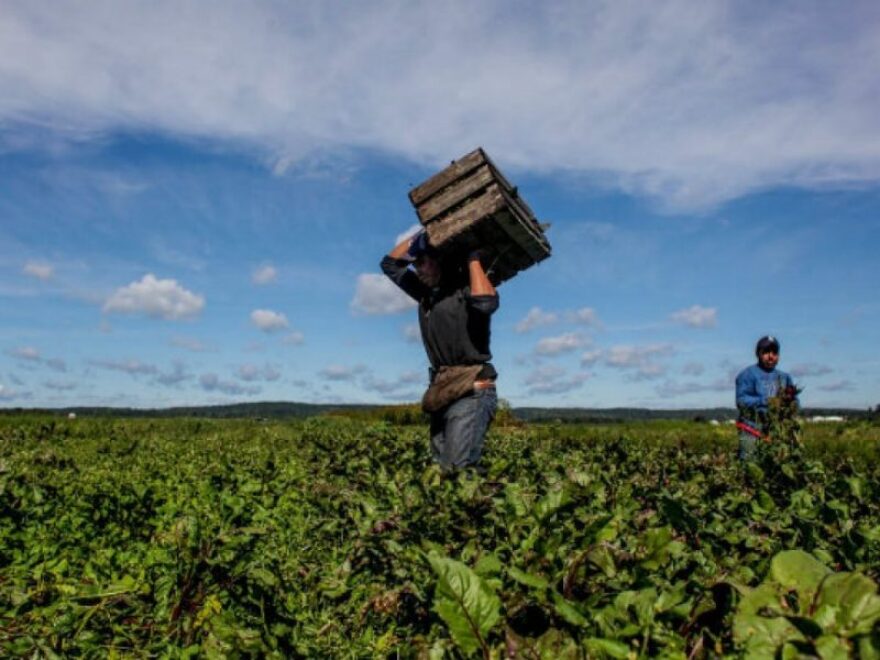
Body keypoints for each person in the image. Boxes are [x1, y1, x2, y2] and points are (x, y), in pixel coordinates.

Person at [381, 230, 499, 472]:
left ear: (441, 262)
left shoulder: (464, 290)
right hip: (443, 389)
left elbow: (487, 303)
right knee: (441, 471)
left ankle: (485, 504)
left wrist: (473, 259)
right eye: (416, 265)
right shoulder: (425, 294)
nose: (418, 270)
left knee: (457, 469)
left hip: (471, 390)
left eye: (423, 263)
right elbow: (391, 264)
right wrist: (426, 234)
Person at [734, 335, 796, 460]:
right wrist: (766, 401)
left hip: (776, 430)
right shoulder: (748, 374)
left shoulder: (784, 377)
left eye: (774, 352)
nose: (770, 356)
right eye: (766, 352)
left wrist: (792, 406)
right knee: (750, 464)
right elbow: (741, 401)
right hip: (751, 429)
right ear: (758, 354)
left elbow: (794, 401)